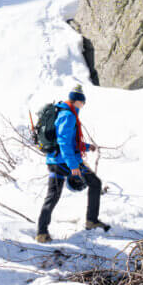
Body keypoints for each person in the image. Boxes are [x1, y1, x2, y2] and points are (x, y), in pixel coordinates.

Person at [35, 88, 108, 242]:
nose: (83, 105)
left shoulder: (64, 112)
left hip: (55, 160)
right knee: (95, 183)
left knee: (53, 195)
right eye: (83, 102)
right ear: (77, 101)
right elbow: (63, 141)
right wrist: (73, 165)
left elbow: (71, 141)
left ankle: (41, 233)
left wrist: (87, 147)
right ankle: (91, 221)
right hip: (64, 161)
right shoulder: (68, 115)